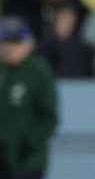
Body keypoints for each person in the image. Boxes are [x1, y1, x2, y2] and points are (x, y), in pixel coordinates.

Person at [0, 15, 58, 179]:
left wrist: (31, 141)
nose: (10, 48)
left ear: (29, 43)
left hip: (26, 161)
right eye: (6, 42)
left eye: (16, 42)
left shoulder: (39, 72)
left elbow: (49, 117)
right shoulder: (2, 70)